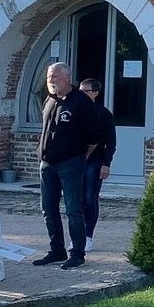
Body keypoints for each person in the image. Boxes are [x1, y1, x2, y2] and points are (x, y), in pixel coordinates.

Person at [33, 62, 96, 269]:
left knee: (73, 209)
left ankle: (77, 252)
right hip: (47, 164)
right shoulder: (49, 100)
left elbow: (95, 136)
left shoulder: (81, 102)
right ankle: (56, 250)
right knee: (48, 209)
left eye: (55, 77)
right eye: (49, 77)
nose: (51, 80)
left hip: (70, 163)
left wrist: (80, 157)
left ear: (67, 78)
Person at [78, 77, 116, 249]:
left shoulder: (103, 114)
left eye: (85, 91)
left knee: (90, 199)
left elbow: (111, 142)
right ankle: (77, 236)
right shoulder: (76, 111)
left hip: (95, 161)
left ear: (95, 93)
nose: (81, 95)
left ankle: (87, 237)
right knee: (76, 200)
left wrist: (106, 163)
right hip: (76, 162)